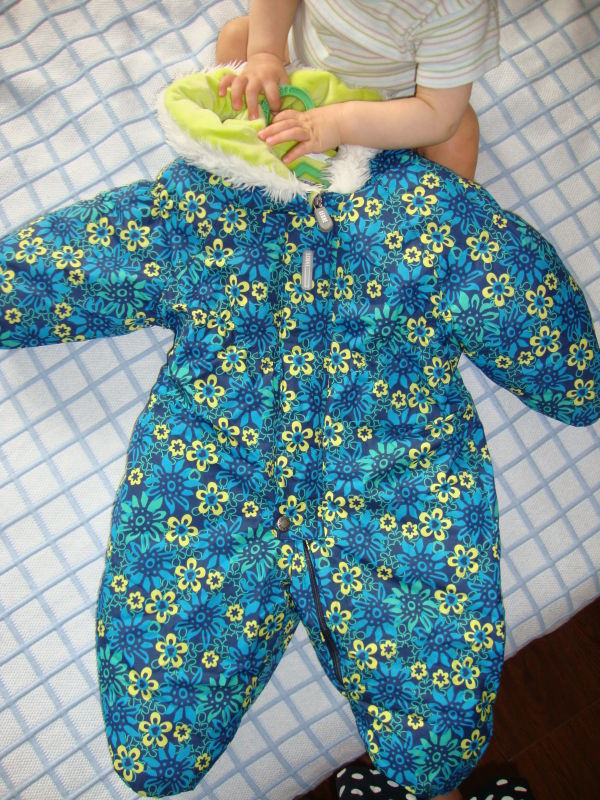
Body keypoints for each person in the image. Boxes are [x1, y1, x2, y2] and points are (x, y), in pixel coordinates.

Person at [215, 0, 500, 182]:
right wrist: (265, 53)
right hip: (304, 71)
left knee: (458, 132)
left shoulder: (458, 8)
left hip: (393, 109)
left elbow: (439, 115)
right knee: (237, 38)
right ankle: (249, 163)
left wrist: (337, 124)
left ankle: (431, 225)